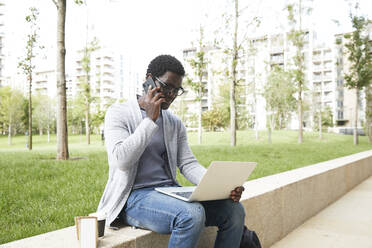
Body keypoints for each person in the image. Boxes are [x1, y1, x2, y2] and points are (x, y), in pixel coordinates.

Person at [97, 55, 245, 248]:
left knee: (234, 210)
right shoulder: (118, 113)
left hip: (168, 193)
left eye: (177, 90)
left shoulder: (174, 123)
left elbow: (187, 164)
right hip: (133, 198)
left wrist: (220, 187)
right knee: (190, 214)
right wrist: (149, 121)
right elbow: (121, 161)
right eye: (167, 87)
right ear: (149, 79)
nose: (172, 94)